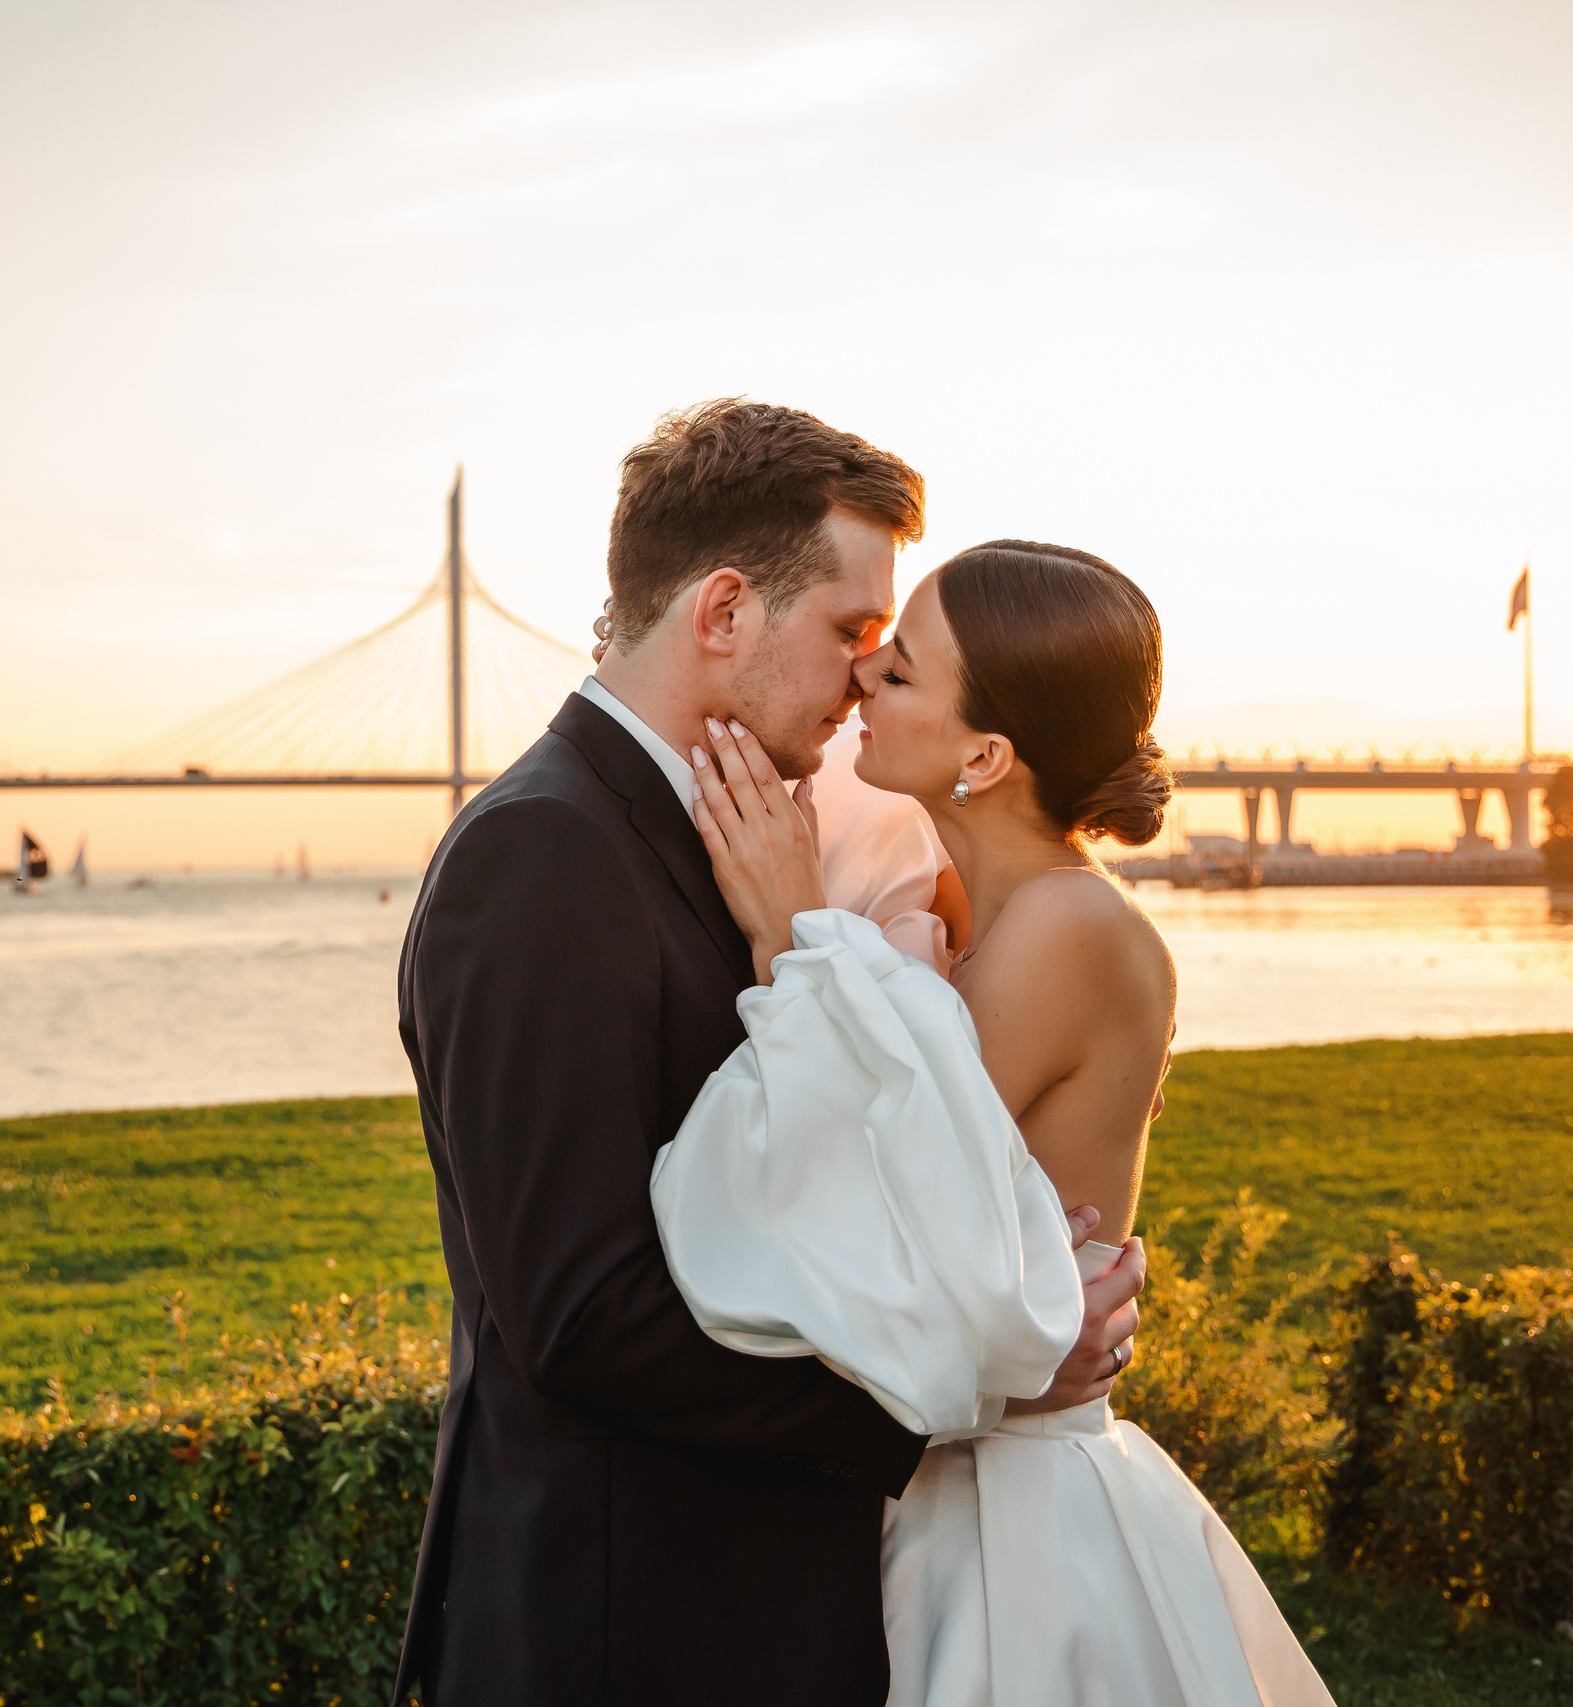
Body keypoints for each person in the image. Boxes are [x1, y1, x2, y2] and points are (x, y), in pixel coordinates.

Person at [391, 402, 1143, 1706]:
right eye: (853, 629)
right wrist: (954, 1390)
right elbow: (583, 1316)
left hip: (754, 1608)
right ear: (725, 612)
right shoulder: (541, 855)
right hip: (627, 1629)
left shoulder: (731, 837)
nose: (867, 674)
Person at [662, 540, 1334, 1705]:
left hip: (1009, 1525)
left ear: (985, 753)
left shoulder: (1070, 927)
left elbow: (872, 1195)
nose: (865, 677)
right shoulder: (965, 917)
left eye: (905, 670)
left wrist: (789, 939)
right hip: (934, 1480)